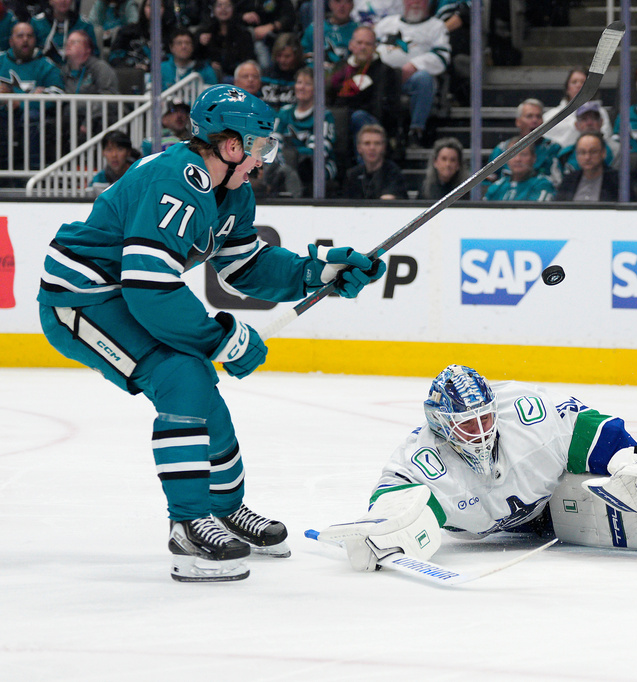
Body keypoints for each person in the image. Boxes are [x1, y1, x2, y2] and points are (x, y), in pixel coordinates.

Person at [36, 84, 386, 582]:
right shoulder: (176, 180)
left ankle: (223, 508)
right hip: (82, 297)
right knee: (182, 374)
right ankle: (186, 525)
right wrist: (219, 337)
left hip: (123, 291)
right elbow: (150, 286)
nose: (262, 160)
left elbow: (245, 266)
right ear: (229, 146)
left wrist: (317, 272)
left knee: (198, 383)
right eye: (258, 146)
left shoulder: (233, 191)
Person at [313, 365, 637, 572]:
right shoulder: (421, 458)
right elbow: (397, 504)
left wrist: (629, 462)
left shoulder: (524, 415)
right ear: (441, 425)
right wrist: (382, 537)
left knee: (634, 492)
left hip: (554, 496)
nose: (482, 430)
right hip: (504, 529)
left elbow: (587, 429)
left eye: (485, 416)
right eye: (467, 424)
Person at [374, 0, 451, 147]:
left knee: (424, 79)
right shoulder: (385, 24)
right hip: (384, 77)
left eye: (420, 0)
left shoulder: (436, 26)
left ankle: (416, 131)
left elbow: (442, 57)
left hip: (412, 80)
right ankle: (380, 132)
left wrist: (414, 65)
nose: (415, 3)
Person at [327, 25, 401, 166]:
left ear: (374, 47)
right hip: (341, 121)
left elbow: (387, 109)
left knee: (359, 117)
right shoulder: (338, 69)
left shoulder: (386, 72)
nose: (363, 47)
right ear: (351, 45)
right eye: (359, 43)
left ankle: (365, 170)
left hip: (371, 123)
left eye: (368, 43)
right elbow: (329, 99)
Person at [0, 21, 63, 171]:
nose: (25, 40)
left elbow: (58, 93)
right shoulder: (1, 60)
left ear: (35, 40)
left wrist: (17, 102)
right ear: (11, 40)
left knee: (32, 116)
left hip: (32, 118)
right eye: (20, 36)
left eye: (29, 36)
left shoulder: (46, 64)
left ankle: (32, 172)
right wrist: (30, 97)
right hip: (2, 116)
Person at [273, 66, 337, 196]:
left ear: (317, 89)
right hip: (285, 165)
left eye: (308, 84)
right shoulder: (285, 112)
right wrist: (284, 161)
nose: (301, 87)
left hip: (314, 169)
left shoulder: (324, 115)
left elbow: (318, 152)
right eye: (299, 82)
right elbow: (272, 143)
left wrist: (291, 155)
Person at [486, 98, 561, 185]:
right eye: (529, 116)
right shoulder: (502, 149)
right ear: (518, 122)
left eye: (538, 116)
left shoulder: (554, 149)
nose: (534, 120)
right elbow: (488, 183)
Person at [542, 67, 612, 149]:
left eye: (583, 82)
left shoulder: (601, 112)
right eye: (574, 82)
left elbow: (606, 137)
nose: (578, 85)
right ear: (567, 89)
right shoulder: (551, 116)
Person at [340, 122, 409, 199]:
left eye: (377, 143)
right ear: (359, 148)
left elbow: (387, 203)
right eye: (367, 143)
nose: (372, 148)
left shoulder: (393, 173)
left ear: (383, 147)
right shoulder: (352, 175)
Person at [196, 0, 257, 81]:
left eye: (227, 6)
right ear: (213, 10)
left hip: (236, 76)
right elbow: (198, 57)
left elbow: (248, 58)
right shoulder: (205, 32)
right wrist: (210, 63)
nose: (223, 9)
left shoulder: (244, 33)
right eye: (219, 5)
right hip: (212, 76)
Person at [555, 101, 616, 175]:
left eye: (594, 118)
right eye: (584, 119)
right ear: (576, 125)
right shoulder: (565, 154)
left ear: (601, 122)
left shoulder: (617, 151)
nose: (589, 123)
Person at [554, 132, 618, 202]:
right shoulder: (568, 180)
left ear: (603, 153)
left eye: (593, 152)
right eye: (582, 152)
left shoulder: (617, 181)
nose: (587, 157)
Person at [30, 0, 97, 66]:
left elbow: (94, 55)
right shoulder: (37, 23)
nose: (63, 1)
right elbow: (29, 53)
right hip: (43, 71)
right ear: (50, 1)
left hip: (77, 72)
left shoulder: (85, 25)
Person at [483, 142, 555, 202]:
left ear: (533, 158)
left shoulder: (542, 184)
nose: (518, 159)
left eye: (523, 154)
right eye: (513, 155)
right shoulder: (497, 186)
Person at [241, 0, 297, 72]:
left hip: (277, 36)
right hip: (249, 36)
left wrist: (272, 26)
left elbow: (289, 17)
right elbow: (233, 13)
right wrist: (243, 16)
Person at [302, 0, 356, 67]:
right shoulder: (314, 28)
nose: (342, 6)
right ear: (330, 4)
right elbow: (306, 56)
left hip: (348, 74)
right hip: (316, 74)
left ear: (352, 5)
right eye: (338, 1)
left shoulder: (359, 32)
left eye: (347, 1)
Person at [88, 129, 138, 194]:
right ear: (103, 153)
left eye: (120, 149)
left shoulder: (139, 175)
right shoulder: (98, 181)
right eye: (109, 150)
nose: (114, 155)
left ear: (128, 152)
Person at [262, 33, 304, 109]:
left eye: (287, 56)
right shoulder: (266, 75)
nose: (282, 60)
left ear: (296, 55)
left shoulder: (303, 76)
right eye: (279, 55)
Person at [419, 136, 466, 201]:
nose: (448, 164)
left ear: (458, 164)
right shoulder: (425, 190)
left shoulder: (466, 191)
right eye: (444, 159)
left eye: (452, 160)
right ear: (435, 162)